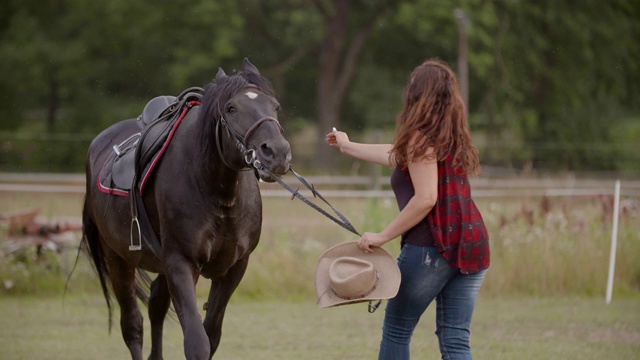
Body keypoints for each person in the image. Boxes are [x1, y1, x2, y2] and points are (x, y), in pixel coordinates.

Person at [325, 58, 490, 360]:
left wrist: (381, 236)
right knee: (456, 339)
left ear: (418, 95)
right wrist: (348, 146)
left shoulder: (421, 139)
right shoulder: (449, 138)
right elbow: (397, 154)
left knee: (397, 330)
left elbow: (426, 198)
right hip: (472, 247)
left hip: (431, 249)